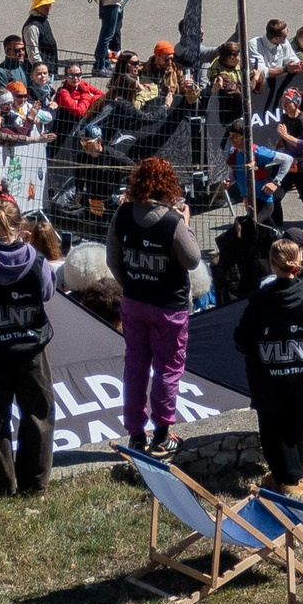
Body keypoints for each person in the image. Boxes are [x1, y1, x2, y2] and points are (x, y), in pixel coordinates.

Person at [106, 156, 201, 454]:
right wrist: (185, 225)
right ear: (168, 186)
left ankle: (136, 432)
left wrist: (130, 283)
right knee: (168, 369)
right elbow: (192, 259)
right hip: (169, 308)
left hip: (134, 301)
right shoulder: (173, 221)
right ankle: (162, 434)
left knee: (135, 365)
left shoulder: (121, 214)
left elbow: (112, 258)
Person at [0, 203, 56, 495]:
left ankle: (1, 485)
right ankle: (35, 483)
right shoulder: (39, 261)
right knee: (38, 414)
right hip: (30, 348)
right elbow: (47, 293)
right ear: (21, 227)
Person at [235, 237, 303, 491]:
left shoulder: (258, 301)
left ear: (271, 264)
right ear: (298, 262)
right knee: (299, 426)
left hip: (267, 378)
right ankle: (291, 478)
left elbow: (242, 339)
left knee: (270, 427)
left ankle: (284, 477)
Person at [22, 0, 61, 72]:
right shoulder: (31, 27)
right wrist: (42, 72)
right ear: (37, 7)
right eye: (45, 5)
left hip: (48, 69)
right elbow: (33, 54)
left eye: (49, 4)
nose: (49, 6)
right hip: (39, 74)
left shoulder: (43, 19)